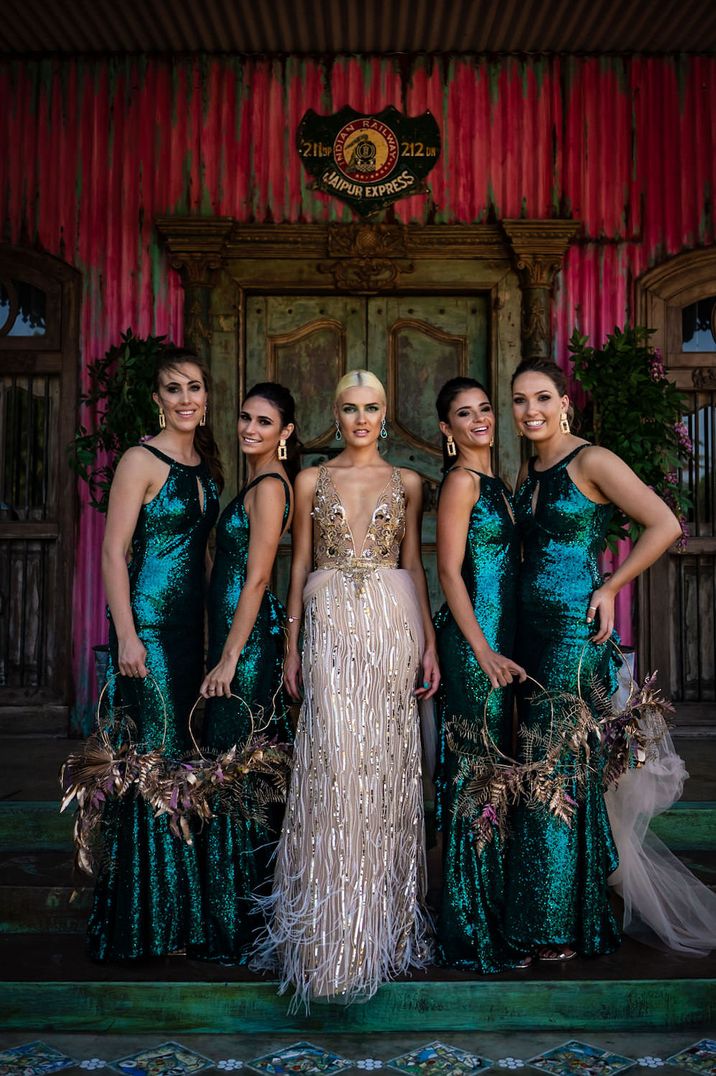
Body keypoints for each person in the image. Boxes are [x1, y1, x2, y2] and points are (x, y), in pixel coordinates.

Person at [254, 369, 438, 1009]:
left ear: (386, 414)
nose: (362, 418)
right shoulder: (310, 479)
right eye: (351, 408)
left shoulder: (409, 482)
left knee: (383, 764)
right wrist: (291, 645)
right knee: (333, 760)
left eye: (373, 407)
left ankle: (379, 932)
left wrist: (429, 643)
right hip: (328, 618)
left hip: (391, 621)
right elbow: (298, 561)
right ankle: (325, 939)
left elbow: (415, 562)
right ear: (335, 413)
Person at [504, 357, 682, 961]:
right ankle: (555, 910)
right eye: (520, 401)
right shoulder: (530, 470)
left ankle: (553, 926)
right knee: (539, 769)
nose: (531, 411)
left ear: (564, 403)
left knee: (551, 771)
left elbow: (663, 524)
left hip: (571, 635)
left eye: (542, 398)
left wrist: (610, 587)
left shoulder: (591, 460)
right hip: (527, 636)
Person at [87, 349, 222, 962]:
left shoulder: (206, 463)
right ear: (157, 400)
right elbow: (114, 552)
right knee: (156, 765)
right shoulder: (140, 460)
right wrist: (127, 635)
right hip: (151, 628)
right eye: (175, 390)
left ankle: (176, 917)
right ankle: (147, 925)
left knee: (183, 761)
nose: (186, 399)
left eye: (195, 387)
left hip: (193, 633)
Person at [196, 382, 297, 963]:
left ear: (285, 434)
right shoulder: (255, 482)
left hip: (250, 646)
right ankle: (232, 915)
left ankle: (242, 924)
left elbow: (258, 579)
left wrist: (230, 655)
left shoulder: (270, 487)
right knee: (231, 774)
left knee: (239, 776)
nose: (249, 429)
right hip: (239, 638)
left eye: (264, 422)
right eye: (244, 418)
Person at [433, 377, 529, 972]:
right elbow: (447, 572)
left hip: (502, 642)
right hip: (475, 649)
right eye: (464, 415)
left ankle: (490, 916)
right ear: (447, 430)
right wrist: (483, 650)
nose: (480, 420)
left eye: (485, 410)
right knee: (476, 775)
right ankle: (469, 934)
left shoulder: (502, 485)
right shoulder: (462, 482)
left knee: (496, 773)